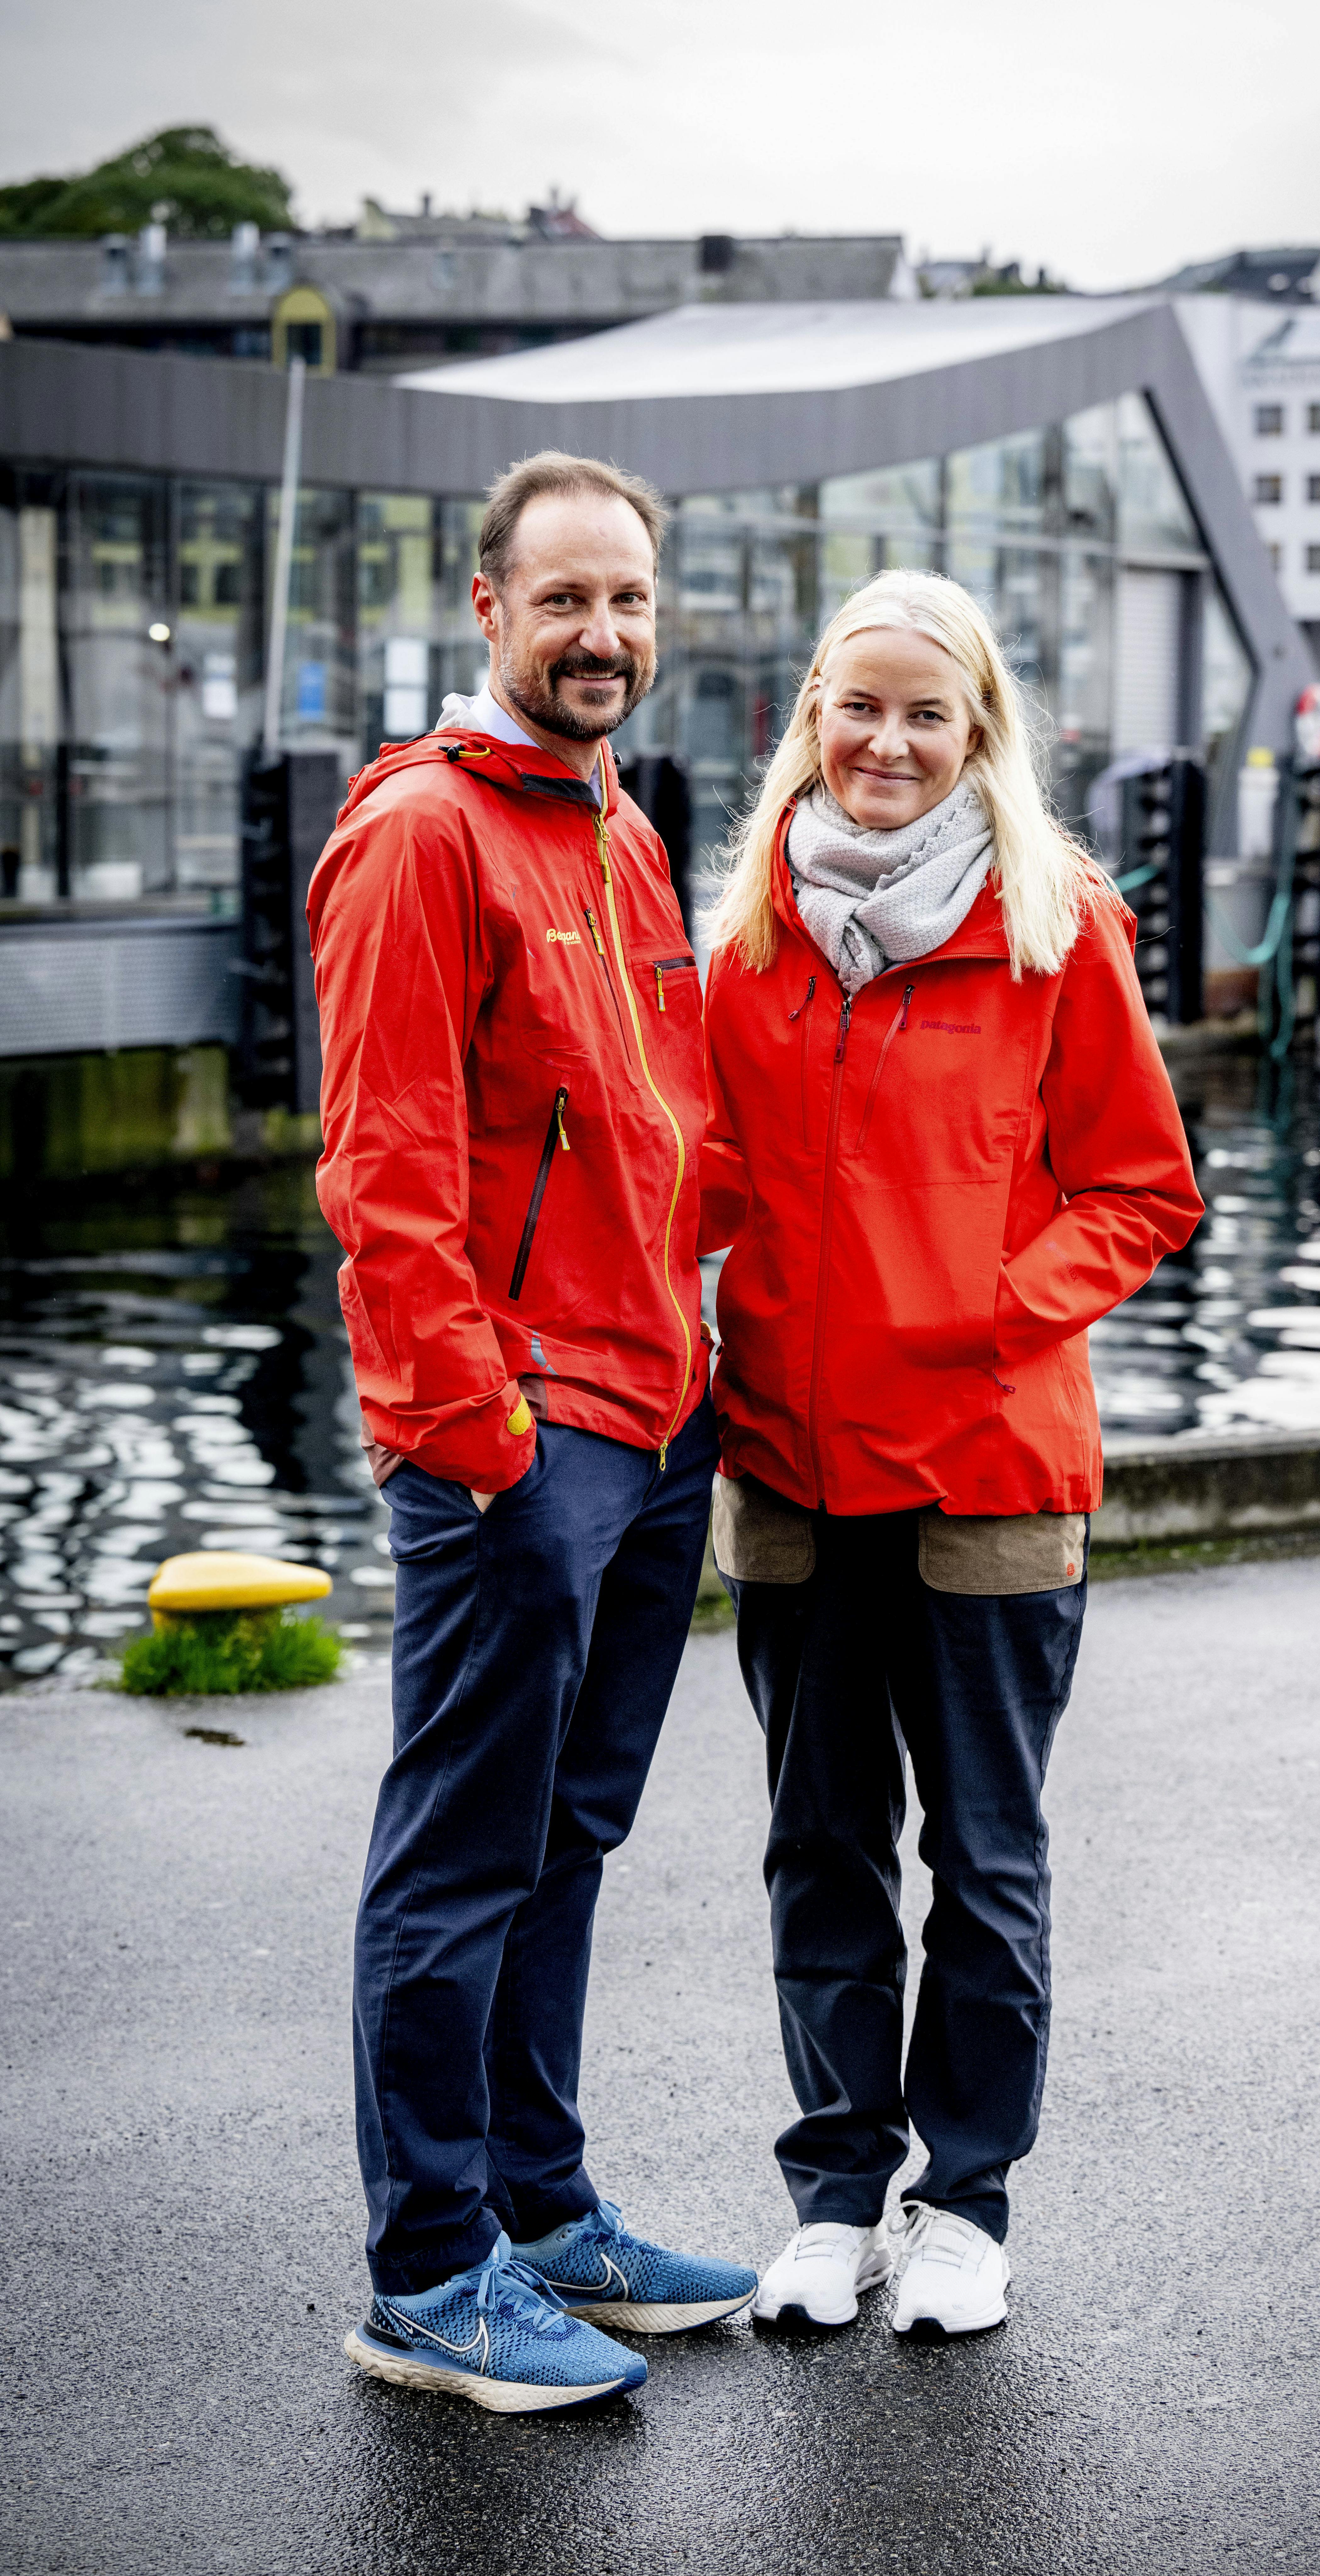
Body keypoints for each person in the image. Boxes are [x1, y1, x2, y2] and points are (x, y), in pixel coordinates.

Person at [699, 570, 1202, 2341]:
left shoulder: (1061, 927)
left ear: (979, 729)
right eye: (860, 707)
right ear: (809, 720)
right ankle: (836, 2197)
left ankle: (966, 2202)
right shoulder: (743, 943)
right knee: (819, 1841)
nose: (889, 742)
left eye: (929, 711)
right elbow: (703, 1181)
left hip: (991, 1463)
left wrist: (985, 1308)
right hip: (790, 1464)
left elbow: (1145, 1190)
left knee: (982, 1856)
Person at [309, 450, 757, 2415]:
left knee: (570, 1832)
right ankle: (428, 2274)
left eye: (632, 601)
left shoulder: (621, 835)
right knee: (466, 1844)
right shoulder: (423, 837)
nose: (604, 635)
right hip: (519, 1434)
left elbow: (666, 1128)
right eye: (566, 598)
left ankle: (540, 2208)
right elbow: (386, 1175)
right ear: (487, 607)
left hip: (652, 1418)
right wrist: (477, 1437)